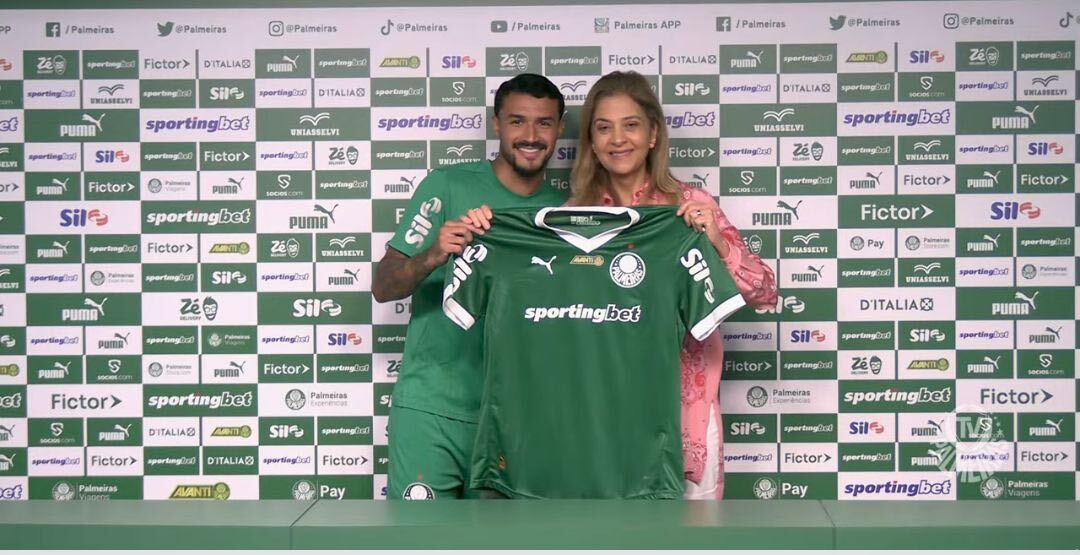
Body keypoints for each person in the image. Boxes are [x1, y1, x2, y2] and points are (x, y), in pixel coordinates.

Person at [567, 71, 777, 499]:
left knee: (694, 533)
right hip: (600, 414)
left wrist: (716, 242)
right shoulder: (574, 218)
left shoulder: (691, 205)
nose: (617, 139)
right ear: (591, 141)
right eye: (603, 128)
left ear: (653, 134)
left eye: (630, 125)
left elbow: (764, 292)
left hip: (686, 412)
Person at [373, 73, 567, 499]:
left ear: (560, 128)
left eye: (544, 123)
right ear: (497, 124)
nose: (530, 136)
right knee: (418, 535)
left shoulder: (564, 213)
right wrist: (433, 254)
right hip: (432, 408)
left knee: (505, 536)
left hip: (515, 419)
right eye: (517, 121)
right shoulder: (446, 185)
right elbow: (383, 286)